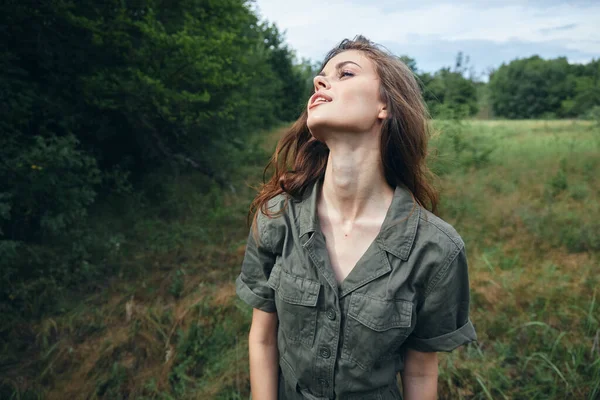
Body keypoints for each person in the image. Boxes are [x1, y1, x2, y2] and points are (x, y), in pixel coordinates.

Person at [235, 35, 477, 400]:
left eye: (345, 73)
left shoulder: (436, 249)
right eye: (320, 76)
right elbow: (263, 338)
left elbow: (422, 372)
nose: (320, 82)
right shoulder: (277, 216)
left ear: (386, 105)